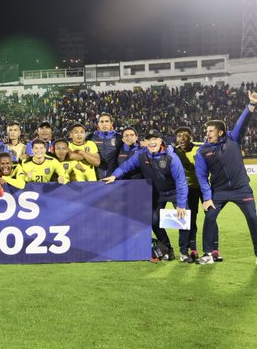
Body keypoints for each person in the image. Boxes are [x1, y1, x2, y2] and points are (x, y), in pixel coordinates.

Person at [103, 129, 188, 262]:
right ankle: (167, 249)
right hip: (157, 193)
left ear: (160, 141)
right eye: (149, 139)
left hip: (175, 192)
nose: (152, 142)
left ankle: (184, 252)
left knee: (183, 220)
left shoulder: (171, 157)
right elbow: (126, 166)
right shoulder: (141, 155)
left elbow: (181, 181)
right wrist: (114, 175)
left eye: (155, 139)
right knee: (153, 221)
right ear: (145, 142)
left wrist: (181, 204)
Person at [195, 91, 257, 265]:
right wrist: (207, 198)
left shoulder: (233, 138)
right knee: (209, 217)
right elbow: (201, 176)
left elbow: (242, 123)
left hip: (241, 189)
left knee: (253, 219)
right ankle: (208, 254)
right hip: (219, 192)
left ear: (221, 132)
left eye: (211, 131)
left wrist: (251, 105)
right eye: (207, 131)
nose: (207, 134)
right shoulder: (203, 151)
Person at [173, 126, 203, 263]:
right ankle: (193, 248)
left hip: (203, 187)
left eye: (185, 135)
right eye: (179, 136)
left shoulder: (200, 148)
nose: (182, 138)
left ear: (191, 136)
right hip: (189, 190)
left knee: (211, 217)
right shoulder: (174, 151)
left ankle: (214, 250)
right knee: (191, 219)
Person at [88, 112, 123, 179]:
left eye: (107, 121)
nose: (104, 124)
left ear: (111, 123)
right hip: (96, 177)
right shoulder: (91, 137)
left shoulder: (119, 138)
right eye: (102, 122)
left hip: (113, 177)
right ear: (98, 124)